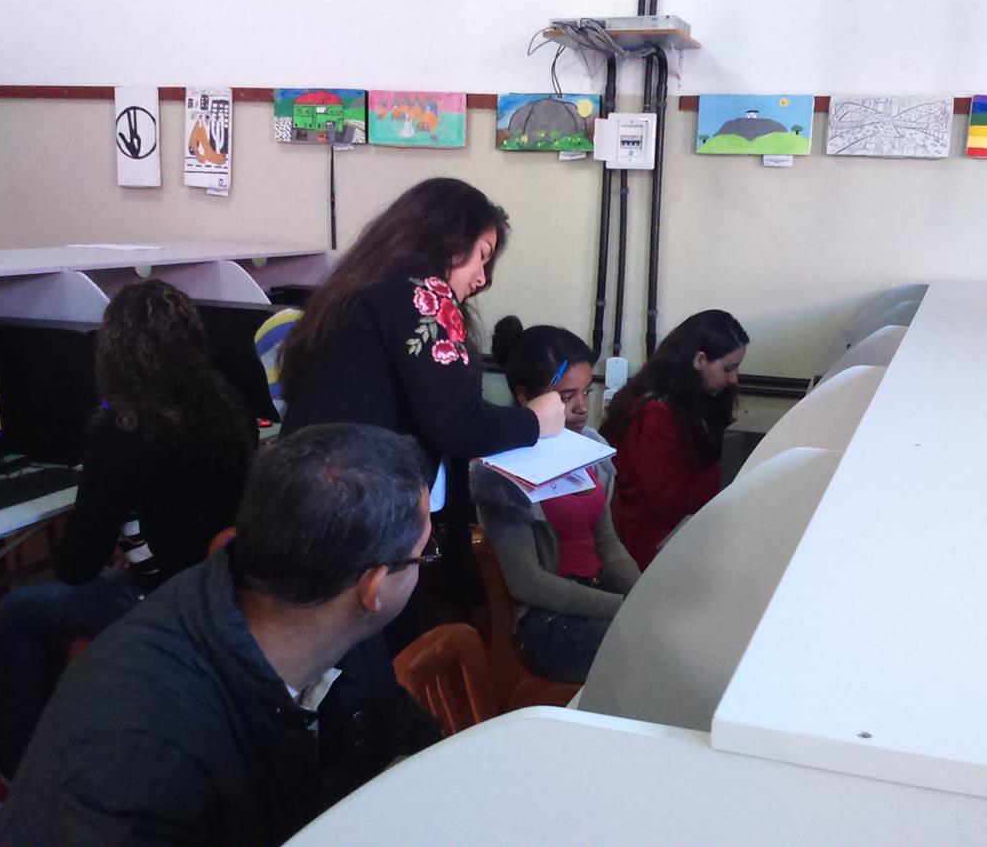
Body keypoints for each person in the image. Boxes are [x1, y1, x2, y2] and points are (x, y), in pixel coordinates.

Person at [0, 424, 444, 847]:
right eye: (424, 553)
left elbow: (398, 736)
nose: (424, 564)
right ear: (373, 588)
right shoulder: (139, 757)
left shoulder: (321, 610)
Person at [0, 280, 257, 809]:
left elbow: (76, 566)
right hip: (218, 585)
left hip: (163, 600)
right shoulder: (227, 403)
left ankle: (13, 770)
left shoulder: (124, 432)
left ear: (113, 353)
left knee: (17, 610)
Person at [278, 177, 565, 633]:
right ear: (448, 238)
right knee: (369, 651)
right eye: (482, 255)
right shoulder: (422, 290)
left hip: (314, 504)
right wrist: (536, 420)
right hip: (358, 517)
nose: (483, 278)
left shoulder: (362, 287)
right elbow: (456, 423)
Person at [471, 319, 640, 683]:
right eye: (566, 397)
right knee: (645, 655)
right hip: (546, 620)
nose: (581, 408)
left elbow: (607, 542)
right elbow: (527, 583)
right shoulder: (503, 468)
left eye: (586, 392)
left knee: (669, 635)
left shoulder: (590, 445)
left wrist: (643, 594)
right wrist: (622, 607)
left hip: (597, 595)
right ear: (523, 397)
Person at [600, 310, 749, 569]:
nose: (733, 378)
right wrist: (731, 461)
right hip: (650, 552)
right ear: (700, 360)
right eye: (728, 368)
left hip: (676, 538)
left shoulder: (696, 400)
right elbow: (674, 504)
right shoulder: (653, 414)